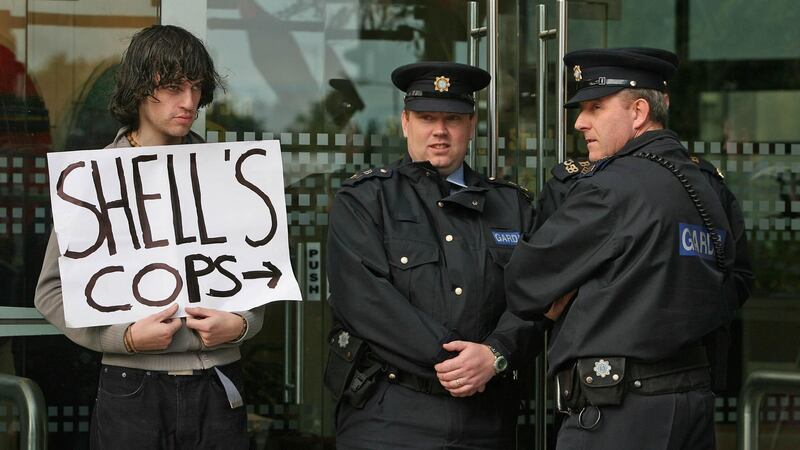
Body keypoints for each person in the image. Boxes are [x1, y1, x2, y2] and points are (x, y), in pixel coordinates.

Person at [505, 47, 747, 449]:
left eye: (596, 107)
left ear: (637, 113)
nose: (580, 123)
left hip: (618, 413)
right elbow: (734, 283)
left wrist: (574, 290)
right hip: (689, 401)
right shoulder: (706, 186)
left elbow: (522, 283)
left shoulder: (609, 188)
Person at [35, 24, 263, 449]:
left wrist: (241, 324)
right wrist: (120, 337)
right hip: (131, 384)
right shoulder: (96, 177)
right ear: (140, 88)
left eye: (197, 88)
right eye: (175, 87)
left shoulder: (225, 173)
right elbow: (51, 292)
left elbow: (257, 276)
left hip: (217, 383)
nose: (190, 102)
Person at [323, 62, 564, 450]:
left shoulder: (510, 205)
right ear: (405, 122)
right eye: (426, 117)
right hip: (389, 414)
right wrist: (460, 361)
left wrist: (495, 354)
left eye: (453, 118)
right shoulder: (366, 200)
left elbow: (539, 296)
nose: (439, 130)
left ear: (471, 125)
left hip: (486, 418)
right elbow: (364, 301)